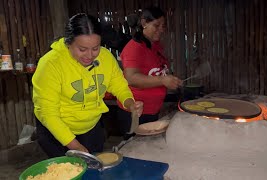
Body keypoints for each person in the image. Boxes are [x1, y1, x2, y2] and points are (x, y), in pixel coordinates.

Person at [32, 13, 143, 158]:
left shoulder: (105, 58)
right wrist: (75, 146)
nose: (90, 55)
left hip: (90, 127)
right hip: (56, 131)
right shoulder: (50, 64)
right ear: (68, 43)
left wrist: (130, 103)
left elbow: (119, 85)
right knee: (68, 172)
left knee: (93, 170)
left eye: (95, 48)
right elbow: (48, 113)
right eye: (82, 49)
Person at [117, 7, 182, 136]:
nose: (160, 30)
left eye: (162, 26)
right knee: (134, 149)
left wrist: (169, 79)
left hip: (151, 111)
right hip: (136, 112)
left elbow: (156, 71)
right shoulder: (134, 47)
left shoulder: (155, 45)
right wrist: (163, 80)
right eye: (156, 25)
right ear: (144, 23)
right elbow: (132, 78)